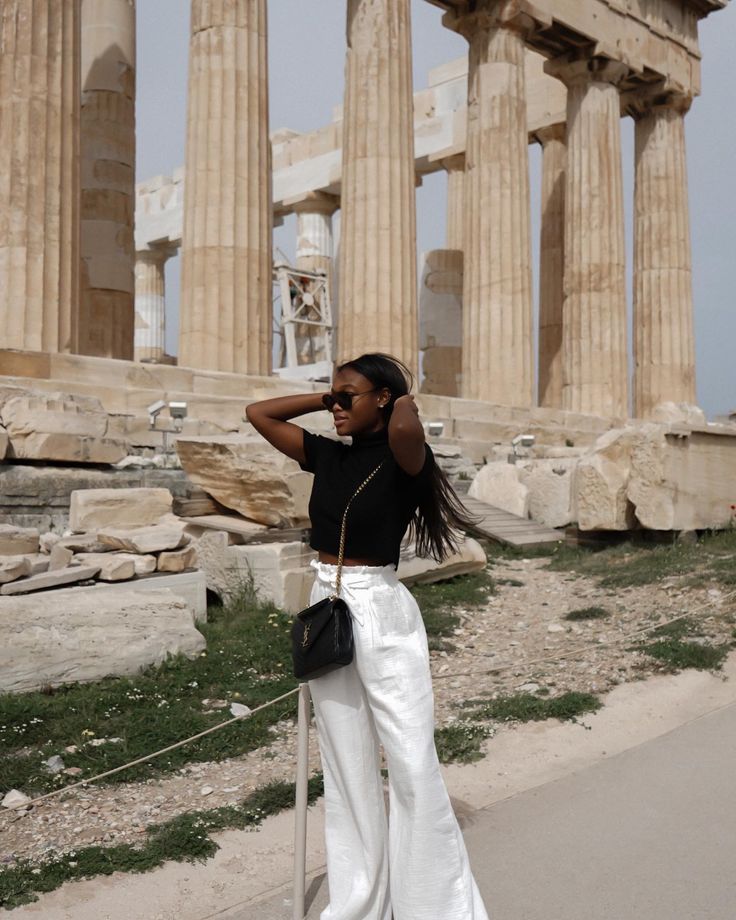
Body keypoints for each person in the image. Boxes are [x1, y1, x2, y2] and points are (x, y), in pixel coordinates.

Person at [245, 352, 490, 920]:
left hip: (379, 605)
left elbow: (405, 422)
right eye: (334, 396)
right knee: (346, 763)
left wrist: (396, 394)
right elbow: (259, 413)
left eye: (348, 395)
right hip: (324, 600)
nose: (336, 406)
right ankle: (362, 903)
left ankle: (437, 907)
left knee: (409, 759)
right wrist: (329, 397)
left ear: (382, 399)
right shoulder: (328, 455)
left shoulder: (406, 458)